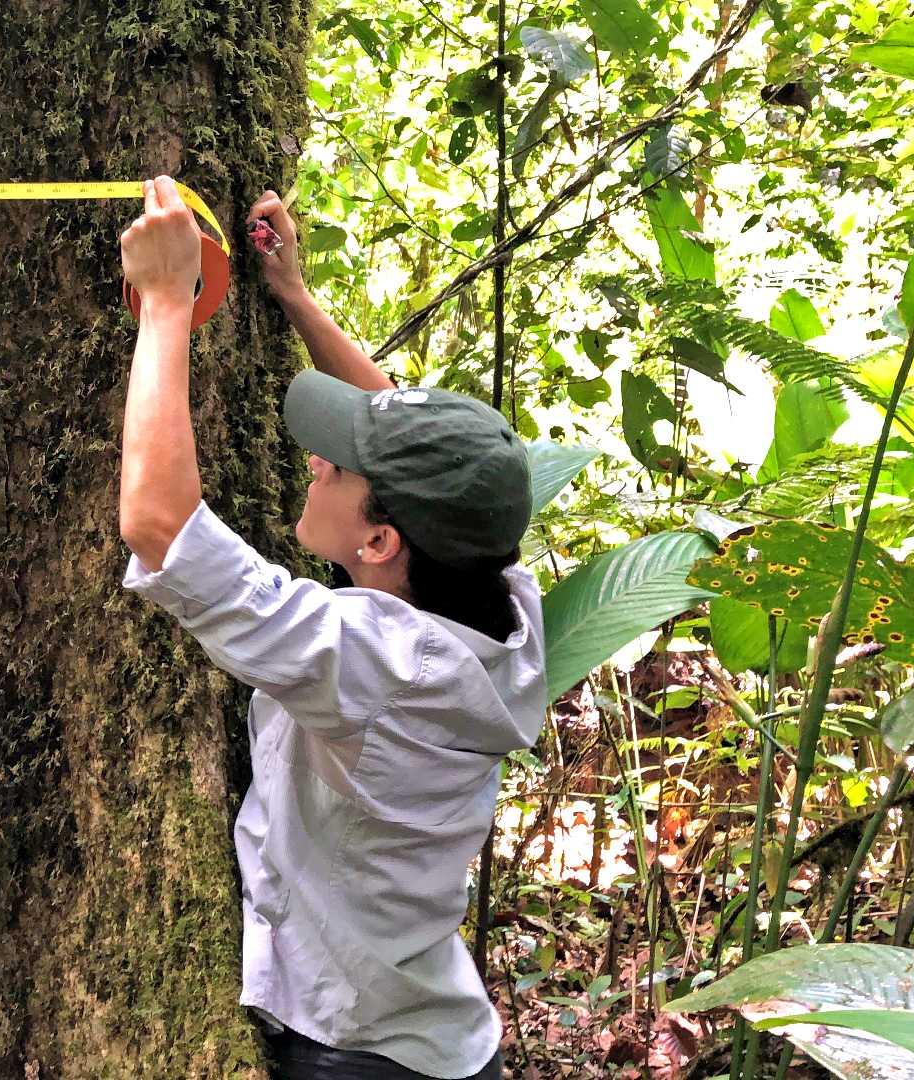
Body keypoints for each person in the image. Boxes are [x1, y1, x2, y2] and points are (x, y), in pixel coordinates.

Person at [115, 176, 547, 1080]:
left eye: (335, 467)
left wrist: (164, 303)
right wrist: (296, 300)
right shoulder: (500, 603)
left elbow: (162, 528)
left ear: (382, 540)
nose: (314, 461)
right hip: (443, 1035)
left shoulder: (368, 663)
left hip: (357, 1054)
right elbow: (436, 466)